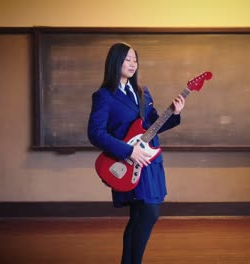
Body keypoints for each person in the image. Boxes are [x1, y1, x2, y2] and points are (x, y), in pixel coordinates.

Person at [87, 42, 185, 264]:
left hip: (149, 162)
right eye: (127, 59)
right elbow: (95, 133)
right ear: (115, 62)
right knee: (149, 213)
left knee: (140, 216)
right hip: (127, 161)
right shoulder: (104, 95)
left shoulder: (143, 92)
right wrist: (129, 150)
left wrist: (174, 114)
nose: (132, 64)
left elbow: (152, 126)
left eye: (135, 59)